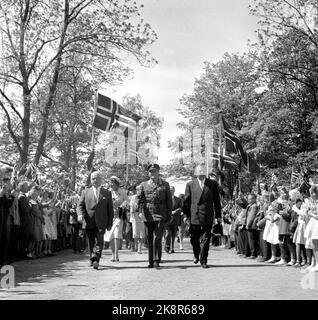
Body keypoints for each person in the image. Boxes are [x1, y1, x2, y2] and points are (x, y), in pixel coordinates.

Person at [183, 165, 222, 268]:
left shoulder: (213, 184)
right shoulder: (190, 184)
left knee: (206, 239)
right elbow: (186, 202)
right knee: (193, 239)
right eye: (199, 174)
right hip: (194, 215)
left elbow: (217, 201)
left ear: (205, 174)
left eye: (202, 174)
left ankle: (203, 260)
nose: (201, 176)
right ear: (196, 174)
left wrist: (218, 215)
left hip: (207, 215)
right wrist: (186, 215)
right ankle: (196, 253)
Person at [77, 171, 113, 269]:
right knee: (91, 241)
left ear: (101, 180)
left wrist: (110, 223)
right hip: (89, 221)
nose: (95, 180)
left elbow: (110, 209)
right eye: (93, 178)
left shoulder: (107, 193)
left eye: (97, 178)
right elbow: (80, 205)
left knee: (99, 240)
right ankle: (91, 258)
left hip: (101, 222)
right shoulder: (85, 191)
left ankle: (96, 258)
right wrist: (80, 214)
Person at [140, 164, 172, 268]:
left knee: (157, 238)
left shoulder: (165, 184)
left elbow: (169, 201)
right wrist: (140, 211)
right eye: (150, 171)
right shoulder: (144, 184)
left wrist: (169, 214)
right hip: (148, 214)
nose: (152, 173)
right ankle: (150, 261)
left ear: (158, 172)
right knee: (149, 238)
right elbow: (141, 200)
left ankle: (156, 260)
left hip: (160, 214)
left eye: (154, 171)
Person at [104, 176, 129, 262]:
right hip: (110, 216)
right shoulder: (108, 192)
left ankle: (117, 253)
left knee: (117, 234)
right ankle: (113, 253)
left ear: (116, 183)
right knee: (110, 235)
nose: (111, 184)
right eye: (110, 183)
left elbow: (127, 201)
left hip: (119, 215)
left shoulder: (122, 192)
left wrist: (121, 206)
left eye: (113, 183)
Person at [164, 186, 182, 254]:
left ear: (174, 190)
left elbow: (180, 208)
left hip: (175, 219)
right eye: (170, 190)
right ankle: (167, 247)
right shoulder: (166, 199)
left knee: (173, 234)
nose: (171, 191)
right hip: (167, 219)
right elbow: (163, 207)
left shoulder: (178, 199)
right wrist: (169, 212)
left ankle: (172, 248)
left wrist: (175, 211)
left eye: (172, 190)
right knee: (168, 233)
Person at [129, 185, 146, 254]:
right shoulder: (133, 197)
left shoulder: (144, 197)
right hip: (135, 216)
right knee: (135, 232)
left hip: (142, 216)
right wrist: (131, 215)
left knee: (142, 232)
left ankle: (139, 247)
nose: (138, 191)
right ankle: (136, 244)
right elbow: (131, 206)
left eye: (139, 189)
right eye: (137, 189)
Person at [245, 194, 259, 259]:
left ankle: (253, 254)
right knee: (250, 240)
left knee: (252, 240)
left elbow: (251, 216)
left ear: (254, 199)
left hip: (252, 225)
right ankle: (250, 253)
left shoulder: (254, 206)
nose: (249, 200)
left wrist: (248, 224)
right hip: (250, 225)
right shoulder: (250, 205)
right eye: (248, 199)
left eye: (250, 199)